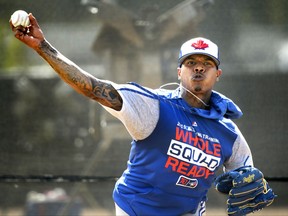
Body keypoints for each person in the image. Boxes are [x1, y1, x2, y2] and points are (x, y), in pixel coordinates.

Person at [10, 14, 255, 216]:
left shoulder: (229, 134)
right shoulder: (153, 105)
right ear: (179, 72)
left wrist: (245, 190)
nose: (199, 67)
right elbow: (92, 87)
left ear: (217, 74)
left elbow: (245, 186)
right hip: (136, 210)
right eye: (191, 62)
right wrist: (43, 47)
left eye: (207, 63)